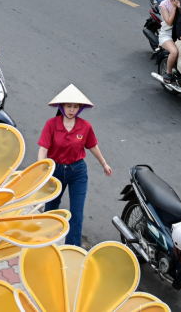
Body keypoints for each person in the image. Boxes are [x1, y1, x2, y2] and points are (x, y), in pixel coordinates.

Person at [38, 85, 112, 247]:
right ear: (62, 106)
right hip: (55, 171)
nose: (72, 110)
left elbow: (92, 146)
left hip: (77, 172)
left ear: (80, 108)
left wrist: (104, 163)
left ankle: (73, 250)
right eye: (69, 106)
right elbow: (43, 149)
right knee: (51, 208)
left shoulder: (85, 127)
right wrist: (41, 170)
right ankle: (44, 242)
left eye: (75, 106)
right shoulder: (51, 124)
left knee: (77, 214)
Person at [156, 0, 181, 81]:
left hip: (179, 33)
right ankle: (168, 73)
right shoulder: (163, 4)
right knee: (174, 52)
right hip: (167, 35)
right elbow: (169, 22)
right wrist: (175, 8)